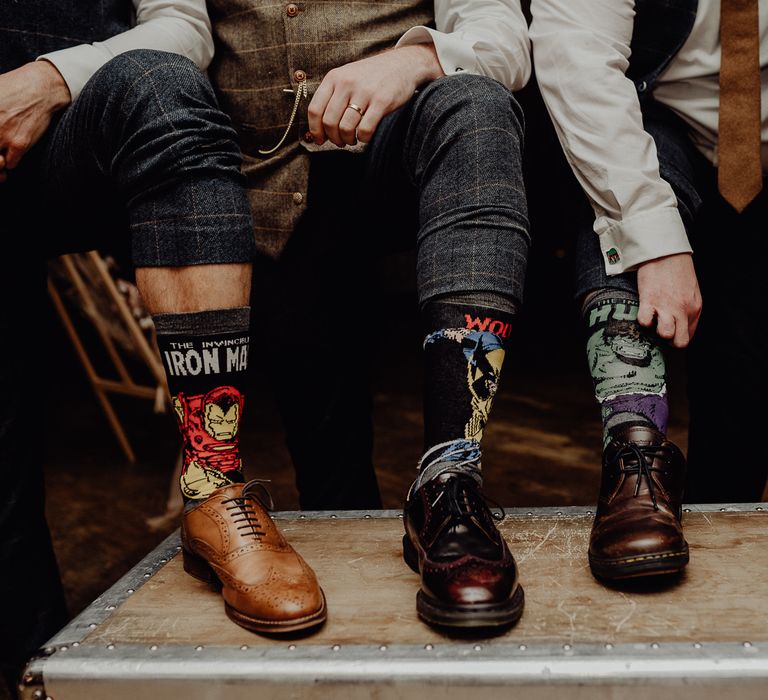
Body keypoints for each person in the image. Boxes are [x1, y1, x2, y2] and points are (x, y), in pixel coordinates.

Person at [0, 0, 326, 686]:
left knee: (164, 86)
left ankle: (212, 488)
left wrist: (47, 78)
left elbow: (184, 25)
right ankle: (37, 673)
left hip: (78, 131)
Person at [205, 0, 532, 629]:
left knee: (478, 111)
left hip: (397, 159)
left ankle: (449, 480)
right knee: (331, 481)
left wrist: (417, 57)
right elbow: (171, 31)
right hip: (260, 184)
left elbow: (505, 37)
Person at [529, 0, 767, 580]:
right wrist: (653, 239)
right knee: (620, 190)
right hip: (663, 130)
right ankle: (634, 456)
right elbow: (577, 59)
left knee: (742, 401)